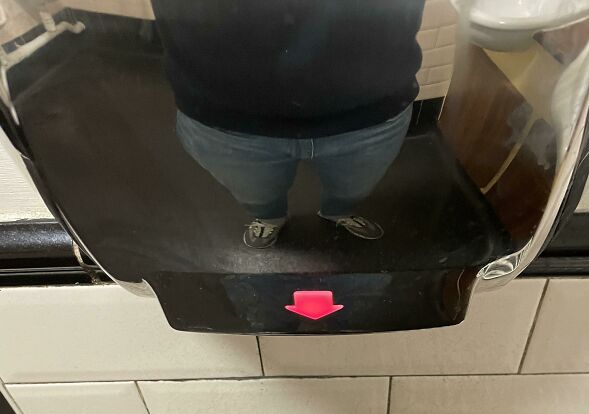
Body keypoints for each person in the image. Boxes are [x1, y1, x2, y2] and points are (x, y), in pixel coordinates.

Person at [153, 0, 426, 248]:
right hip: (223, 114)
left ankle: (338, 213)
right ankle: (270, 219)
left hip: (373, 108)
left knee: (352, 191)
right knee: (257, 198)